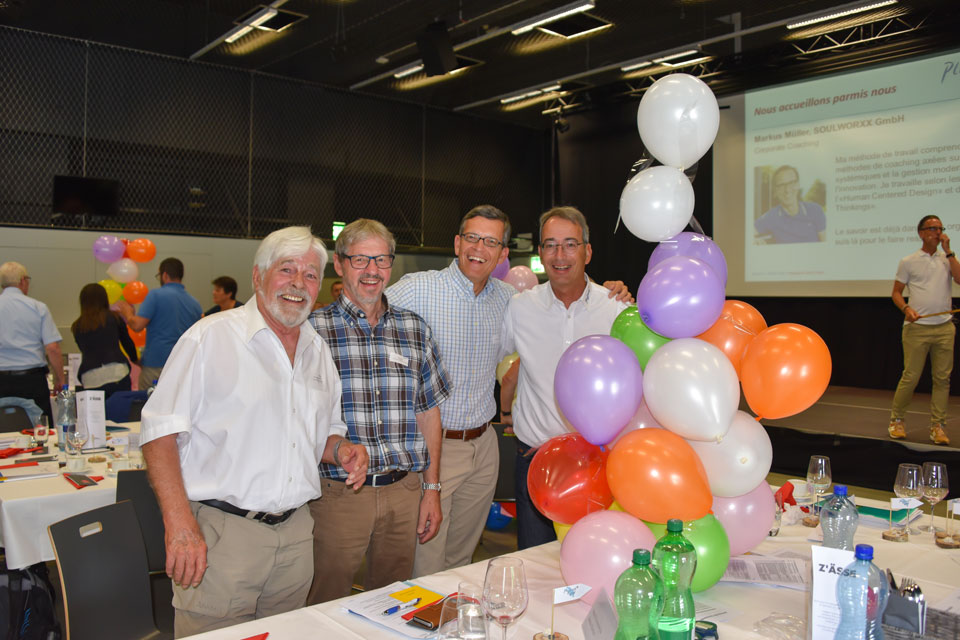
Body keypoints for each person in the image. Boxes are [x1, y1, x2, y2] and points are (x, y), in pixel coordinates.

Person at [139, 226, 368, 637]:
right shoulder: (210, 338)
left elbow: (321, 436)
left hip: (297, 535)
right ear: (258, 277)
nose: (299, 284)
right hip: (223, 536)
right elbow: (159, 433)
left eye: (311, 274)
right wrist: (180, 525)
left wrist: (342, 450)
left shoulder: (318, 349)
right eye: (287, 270)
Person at [306, 218, 451, 603]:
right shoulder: (311, 332)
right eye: (361, 260)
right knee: (325, 602)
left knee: (390, 604)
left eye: (382, 260)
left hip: (404, 492)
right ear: (339, 265)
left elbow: (429, 415)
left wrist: (431, 490)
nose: (373, 271)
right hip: (338, 494)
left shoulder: (415, 329)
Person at [386, 205, 515, 577]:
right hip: (434, 446)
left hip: (485, 445)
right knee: (425, 562)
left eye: (491, 241)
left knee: (462, 563)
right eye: (472, 237)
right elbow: (368, 323)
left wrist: (612, 291)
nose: (479, 247)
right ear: (458, 243)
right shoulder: (418, 289)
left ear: (503, 254)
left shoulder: (508, 300)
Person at [500, 207, 629, 549]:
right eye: (551, 245)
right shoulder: (519, 308)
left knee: (595, 562)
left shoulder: (616, 309)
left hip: (599, 465)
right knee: (535, 566)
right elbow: (493, 363)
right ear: (540, 253)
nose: (560, 255)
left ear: (587, 251)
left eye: (570, 244)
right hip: (536, 463)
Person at [888, 215, 960, 446]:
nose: (937, 232)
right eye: (931, 228)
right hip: (917, 328)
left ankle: (938, 426)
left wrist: (949, 253)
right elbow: (896, 292)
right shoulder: (909, 261)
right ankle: (897, 420)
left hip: (944, 327)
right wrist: (906, 308)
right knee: (911, 377)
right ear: (921, 233)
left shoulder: (947, 259)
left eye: (939, 228)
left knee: (942, 379)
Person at [116, 257, 202, 390]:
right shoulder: (195, 303)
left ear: (165, 275)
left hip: (156, 363)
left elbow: (137, 326)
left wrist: (128, 313)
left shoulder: (155, 295)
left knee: (147, 404)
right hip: (183, 364)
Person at [0, 262, 64, 420]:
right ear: (23, 281)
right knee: (39, 430)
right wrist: (60, 379)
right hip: (31, 381)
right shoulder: (38, 307)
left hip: (1, 380)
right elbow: (52, 348)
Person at [71, 283, 139, 397]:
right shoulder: (114, 318)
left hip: (90, 377)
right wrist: (136, 360)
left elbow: (84, 349)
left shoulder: (77, 326)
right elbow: (128, 343)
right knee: (120, 412)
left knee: (95, 413)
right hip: (117, 373)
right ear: (104, 299)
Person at [754, 165, 826, 244]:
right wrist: (754, 240)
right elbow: (750, 231)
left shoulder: (815, 210)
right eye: (781, 185)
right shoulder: (771, 216)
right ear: (775, 191)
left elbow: (825, 243)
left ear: (798, 185)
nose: (787, 190)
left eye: (791, 183)